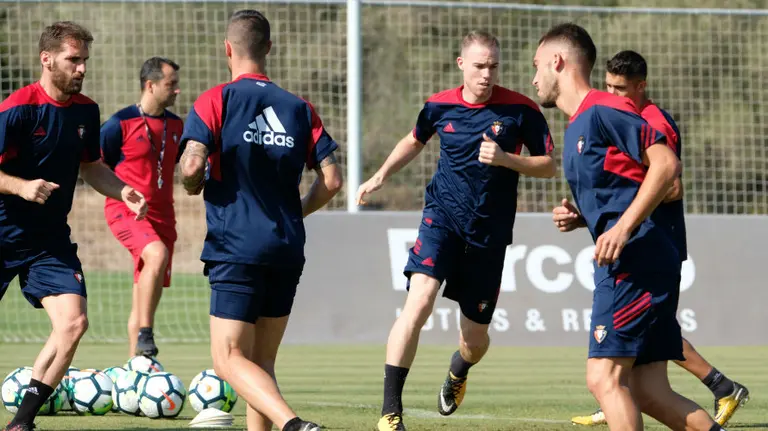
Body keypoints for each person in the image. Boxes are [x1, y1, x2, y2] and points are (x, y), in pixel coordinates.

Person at [357, 30, 556, 431]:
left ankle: (458, 370)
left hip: (488, 235)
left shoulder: (522, 111)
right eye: (480, 66)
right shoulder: (438, 106)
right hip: (441, 220)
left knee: (474, 340)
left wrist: (505, 160)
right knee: (419, 304)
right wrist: (380, 174)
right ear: (462, 64)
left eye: (494, 67)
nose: (487, 74)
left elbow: (548, 164)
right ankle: (390, 411)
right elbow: (414, 140)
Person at [534, 22, 726, 431]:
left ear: (558, 61)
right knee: (650, 391)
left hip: (634, 260)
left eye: (537, 66)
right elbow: (627, 187)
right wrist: (584, 216)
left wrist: (621, 228)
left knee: (604, 378)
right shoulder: (579, 125)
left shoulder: (604, 108)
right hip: (639, 258)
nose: (533, 79)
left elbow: (666, 167)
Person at [177, 9, 342, 431]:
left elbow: (192, 164)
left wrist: (193, 182)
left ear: (227, 49)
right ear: (268, 48)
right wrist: (297, 211)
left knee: (228, 358)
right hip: (286, 247)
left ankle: (294, 425)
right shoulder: (299, 107)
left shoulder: (216, 100)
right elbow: (333, 180)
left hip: (238, 246)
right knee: (261, 362)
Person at [570, 49, 749, 427]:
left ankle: (711, 385)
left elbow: (672, 183)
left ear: (641, 86)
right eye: (608, 87)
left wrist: (626, 216)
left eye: (622, 89)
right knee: (648, 387)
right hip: (642, 249)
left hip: (648, 252)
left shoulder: (651, 120)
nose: (615, 96)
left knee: (613, 375)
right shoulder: (618, 115)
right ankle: (717, 387)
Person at [0, 21, 147, 431]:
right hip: (2, 232)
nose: (81, 68)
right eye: (73, 59)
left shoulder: (86, 110)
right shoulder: (17, 109)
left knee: (73, 323)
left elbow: (91, 166)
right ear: (46, 59)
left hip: (48, 241)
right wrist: (20, 186)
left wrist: (123, 191)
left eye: (84, 60)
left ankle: (21, 423)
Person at [100, 57, 183, 358]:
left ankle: (137, 367)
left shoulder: (177, 126)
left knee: (143, 293)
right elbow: (96, 168)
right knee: (156, 253)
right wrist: (123, 193)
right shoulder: (118, 124)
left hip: (164, 214)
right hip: (125, 210)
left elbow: (182, 164)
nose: (177, 91)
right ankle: (146, 335)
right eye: (170, 84)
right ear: (150, 85)